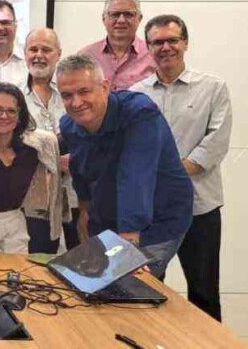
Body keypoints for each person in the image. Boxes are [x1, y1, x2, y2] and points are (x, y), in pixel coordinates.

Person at [131, 15, 231, 320]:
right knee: (144, 289)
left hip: (200, 209)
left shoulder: (213, 88)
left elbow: (215, 142)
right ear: (148, 47)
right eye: (157, 42)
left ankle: (208, 342)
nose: (165, 47)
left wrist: (171, 176)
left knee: (204, 292)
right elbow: (131, 148)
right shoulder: (135, 94)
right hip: (151, 212)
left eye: (172, 40)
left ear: (185, 43)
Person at [57, 54, 193, 278]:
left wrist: (128, 246)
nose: (76, 102)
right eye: (67, 95)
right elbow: (81, 172)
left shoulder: (139, 113)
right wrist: (84, 213)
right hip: (106, 218)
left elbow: (135, 177)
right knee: (95, 283)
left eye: (84, 92)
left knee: (130, 284)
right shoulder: (70, 125)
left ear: (105, 87)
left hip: (156, 220)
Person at [0, 83, 66, 254]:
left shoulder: (33, 149)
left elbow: (53, 185)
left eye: (11, 111)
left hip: (16, 225)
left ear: (19, 115)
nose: (4, 116)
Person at [23, 28, 80, 249]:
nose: (39, 55)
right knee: (38, 259)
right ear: (25, 53)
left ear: (59, 54)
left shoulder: (74, 90)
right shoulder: (13, 95)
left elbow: (90, 131)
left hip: (76, 192)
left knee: (82, 258)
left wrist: (77, 160)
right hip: (35, 200)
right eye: (33, 49)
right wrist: (54, 160)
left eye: (46, 50)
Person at [78, 0, 155, 90]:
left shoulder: (153, 55)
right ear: (104, 19)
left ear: (139, 19)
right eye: (114, 14)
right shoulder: (86, 56)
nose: (121, 20)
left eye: (128, 14)